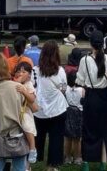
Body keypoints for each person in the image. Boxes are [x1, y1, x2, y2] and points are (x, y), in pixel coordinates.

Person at [76, 31, 107, 169]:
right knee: (105, 131)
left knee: (89, 130)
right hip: (106, 98)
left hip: (91, 97)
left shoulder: (84, 60)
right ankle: (103, 163)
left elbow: (80, 81)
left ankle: (86, 162)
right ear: (103, 44)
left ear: (90, 43)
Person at [34, 40, 67, 171]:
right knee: (56, 139)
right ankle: (52, 166)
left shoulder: (35, 70)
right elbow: (63, 88)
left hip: (39, 110)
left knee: (39, 137)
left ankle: (37, 157)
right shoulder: (60, 71)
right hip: (57, 109)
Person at [13, 61, 39, 165]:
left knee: (27, 126)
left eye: (23, 72)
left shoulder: (28, 85)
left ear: (29, 75)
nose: (20, 73)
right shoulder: (14, 83)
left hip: (25, 113)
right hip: (16, 113)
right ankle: (24, 164)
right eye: (18, 71)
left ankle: (33, 148)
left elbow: (32, 99)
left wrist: (24, 91)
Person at [64, 71, 84, 165]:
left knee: (68, 137)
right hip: (79, 113)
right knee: (77, 138)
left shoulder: (66, 89)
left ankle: (67, 157)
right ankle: (77, 157)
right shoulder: (82, 90)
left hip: (68, 112)